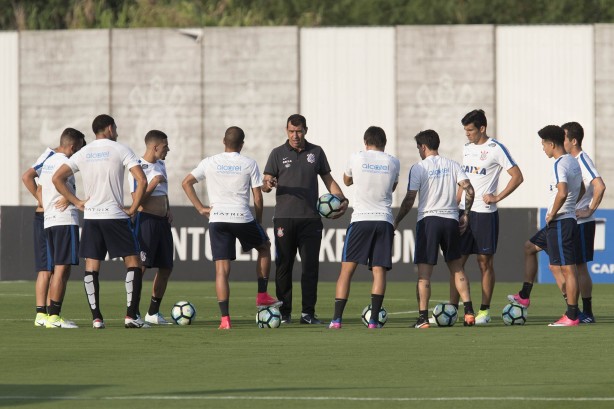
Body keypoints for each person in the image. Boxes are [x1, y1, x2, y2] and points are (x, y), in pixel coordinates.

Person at [52, 114, 149, 329]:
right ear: (109, 128)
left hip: (93, 217)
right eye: (116, 127)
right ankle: (131, 316)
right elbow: (141, 179)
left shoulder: (83, 152)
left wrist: (76, 201)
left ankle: (96, 318)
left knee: (92, 266)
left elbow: (57, 178)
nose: (117, 131)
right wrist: (133, 208)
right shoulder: (121, 149)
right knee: (134, 263)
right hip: (114, 215)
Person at [182, 126, 281, 330]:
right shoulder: (248, 163)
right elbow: (258, 196)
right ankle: (262, 295)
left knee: (221, 269)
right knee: (264, 247)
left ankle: (225, 320)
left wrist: (201, 208)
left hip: (217, 218)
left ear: (223, 141)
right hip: (241, 216)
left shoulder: (210, 162)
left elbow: (186, 183)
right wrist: (259, 223)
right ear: (242, 144)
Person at [262, 114, 348, 325]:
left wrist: (341, 198)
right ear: (286, 130)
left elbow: (328, 179)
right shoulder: (277, 153)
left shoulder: (316, 152)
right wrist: (268, 184)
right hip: (284, 218)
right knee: (283, 266)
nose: (295, 135)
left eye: (299, 131)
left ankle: (308, 314)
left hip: (310, 219)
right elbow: (265, 183)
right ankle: (284, 313)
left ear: (305, 131)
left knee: (310, 268)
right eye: (291, 131)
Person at [393, 129, 476, 329]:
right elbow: (470, 190)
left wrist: (397, 221)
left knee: (424, 274)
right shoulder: (453, 165)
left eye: (418, 148)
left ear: (423, 147)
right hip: (450, 219)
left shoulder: (419, 168)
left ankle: (423, 319)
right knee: (457, 268)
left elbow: (409, 199)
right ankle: (469, 313)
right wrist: (465, 214)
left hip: (429, 220)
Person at [448, 109, 524, 325]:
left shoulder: (496, 149)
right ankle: (453, 310)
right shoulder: (466, 149)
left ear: (482, 128)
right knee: (457, 263)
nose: (467, 134)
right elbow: (464, 177)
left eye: (470, 130)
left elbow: (518, 177)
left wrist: (497, 196)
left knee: (484, 263)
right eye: (465, 131)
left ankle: (484, 311)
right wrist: (458, 198)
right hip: (465, 213)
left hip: (485, 215)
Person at [508, 125, 583, 326]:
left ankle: (573, 315)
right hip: (563, 220)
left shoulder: (560, 164)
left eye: (543, 144)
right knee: (530, 247)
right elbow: (582, 189)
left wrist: (554, 212)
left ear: (551, 144)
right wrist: (570, 207)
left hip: (561, 221)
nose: (542, 148)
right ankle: (524, 295)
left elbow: (563, 191)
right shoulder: (573, 162)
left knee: (568, 268)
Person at [328, 126, 399, 329]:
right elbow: (393, 186)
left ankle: (336, 320)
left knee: (346, 271)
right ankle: (374, 321)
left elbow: (346, 181)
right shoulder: (393, 161)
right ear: (384, 144)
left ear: (365, 142)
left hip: (361, 219)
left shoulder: (356, 157)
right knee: (379, 271)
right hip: (384, 220)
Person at [38, 128, 86, 328]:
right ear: (73, 147)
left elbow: (40, 188)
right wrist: (74, 200)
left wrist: (52, 202)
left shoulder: (49, 161)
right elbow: (59, 182)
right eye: (81, 147)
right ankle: (55, 317)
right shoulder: (65, 163)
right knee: (62, 268)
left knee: (58, 267)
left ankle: (50, 316)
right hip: (64, 219)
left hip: (49, 220)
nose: (82, 152)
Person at [128, 130, 174, 325]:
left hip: (163, 222)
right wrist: (153, 183)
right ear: (155, 147)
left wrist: (168, 208)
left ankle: (153, 313)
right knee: (141, 267)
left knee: (166, 267)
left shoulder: (162, 164)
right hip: (146, 221)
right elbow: (137, 201)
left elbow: (164, 192)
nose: (168, 149)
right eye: (165, 146)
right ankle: (133, 312)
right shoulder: (137, 167)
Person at [561, 122, 605, 323]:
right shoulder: (569, 160)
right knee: (562, 266)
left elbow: (600, 185)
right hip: (570, 221)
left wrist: (590, 209)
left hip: (581, 223)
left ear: (574, 141)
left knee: (579, 268)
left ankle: (586, 312)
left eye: (564, 138)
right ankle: (574, 309)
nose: (561, 142)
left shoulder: (582, 160)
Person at [22, 147, 56, 327]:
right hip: (44, 217)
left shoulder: (59, 159)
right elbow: (27, 176)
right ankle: (41, 314)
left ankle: (51, 314)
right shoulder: (50, 156)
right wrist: (43, 201)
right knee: (46, 268)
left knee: (55, 268)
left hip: (54, 217)